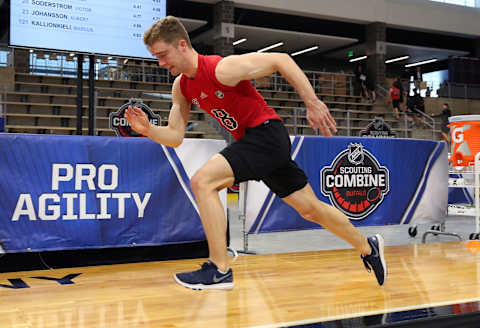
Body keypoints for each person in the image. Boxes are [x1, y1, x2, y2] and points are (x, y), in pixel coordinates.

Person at [125, 16, 387, 290]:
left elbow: (282, 60)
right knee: (311, 210)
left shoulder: (221, 69)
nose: (161, 63)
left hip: (265, 134)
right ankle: (367, 246)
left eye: (163, 55)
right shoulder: (182, 86)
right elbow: (176, 137)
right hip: (259, 144)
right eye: (157, 57)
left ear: (181, 45)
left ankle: (219, 269)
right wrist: (148, 130)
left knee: (203, 181)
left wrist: (312, 102)